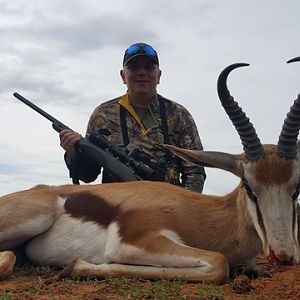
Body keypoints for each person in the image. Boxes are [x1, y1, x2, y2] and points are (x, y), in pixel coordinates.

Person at [59, 42, 206, 192]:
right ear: (123, 75)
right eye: (134, 67)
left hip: (166, 210)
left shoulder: (179, 115)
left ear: (159, 75)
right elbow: (88, 175)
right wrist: (73, 153)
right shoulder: (102, 114)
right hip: (116, 209)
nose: (141, 72)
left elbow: (195, 171)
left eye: (149, 67)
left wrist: (184, 209)